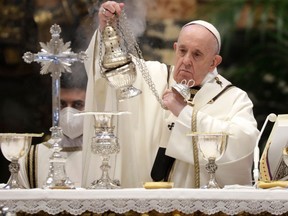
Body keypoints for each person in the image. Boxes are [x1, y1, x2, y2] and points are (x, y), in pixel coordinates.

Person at [82, 1, 259, 188]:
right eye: (182, 51)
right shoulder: (151, 76)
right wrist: (106, 29)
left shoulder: (233, 99)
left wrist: (183, 113)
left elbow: (242, 144)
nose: (186, 61)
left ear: (214, 62)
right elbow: (110, 71)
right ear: (175, 48)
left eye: (197, 54)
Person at [19, 62, 87, 188]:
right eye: (61, 104)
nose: (68, 112)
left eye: (78, 104)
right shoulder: (30, 158)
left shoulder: (107, 155)